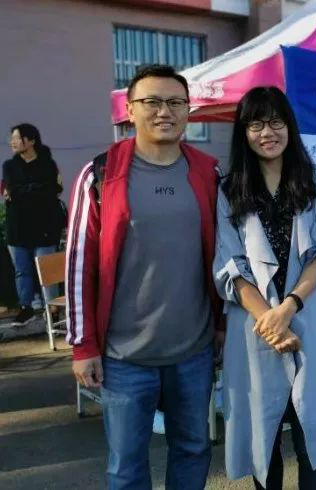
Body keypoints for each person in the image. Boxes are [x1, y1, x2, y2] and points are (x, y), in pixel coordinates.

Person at [66, 64, 222, 489]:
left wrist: (223, 326)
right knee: (126, 465)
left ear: (188, 111)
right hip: (123, 356)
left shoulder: (209, 173)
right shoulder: (100, 175)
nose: (164, 111)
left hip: (193, 350)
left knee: (193, 449)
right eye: (151, 101)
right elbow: (79, 262)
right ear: (129, 110)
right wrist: (83, 345)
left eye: (175, 102)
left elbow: (224, 257)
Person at [214, 86, 316, 489]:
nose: (267, 133)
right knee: (263, 439)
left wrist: (287, 308)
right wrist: (271, 321)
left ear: (290, 126)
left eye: (275, 122)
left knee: (313, 436)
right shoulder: (229, 189)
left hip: (308, 313)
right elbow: (230, 266)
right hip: (255, 326)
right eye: (256, 124)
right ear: (243, 132)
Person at [2, 123, 65, 326]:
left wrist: (24, 191)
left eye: (17, 138)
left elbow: (52, 190)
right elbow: (14, 190)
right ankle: (26, 308)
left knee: (47, 271)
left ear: (30, 141)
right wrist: (34, 189)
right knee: (22, 270)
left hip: (44, 227)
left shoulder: (47, 164)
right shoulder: (9, 166)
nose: (12, 142)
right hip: (18, 227)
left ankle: (52, 309)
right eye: (12, 138)